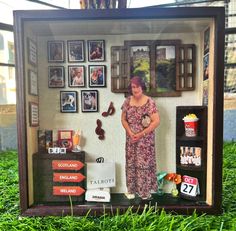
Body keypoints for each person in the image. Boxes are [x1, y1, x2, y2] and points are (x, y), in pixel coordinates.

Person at [121, 76, 160, 200]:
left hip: (145, 141)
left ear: (142, 87)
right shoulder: (127, 101)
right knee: (131, 164)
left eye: (137, 86)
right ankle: (131, 191)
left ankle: (145, 193)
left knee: (144, 165)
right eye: (133, 87)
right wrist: (130, 132)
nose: (135, 89)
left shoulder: (150, 102)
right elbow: (123, 119)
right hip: (131, 139)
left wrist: (142, 134)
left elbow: (156, 121)